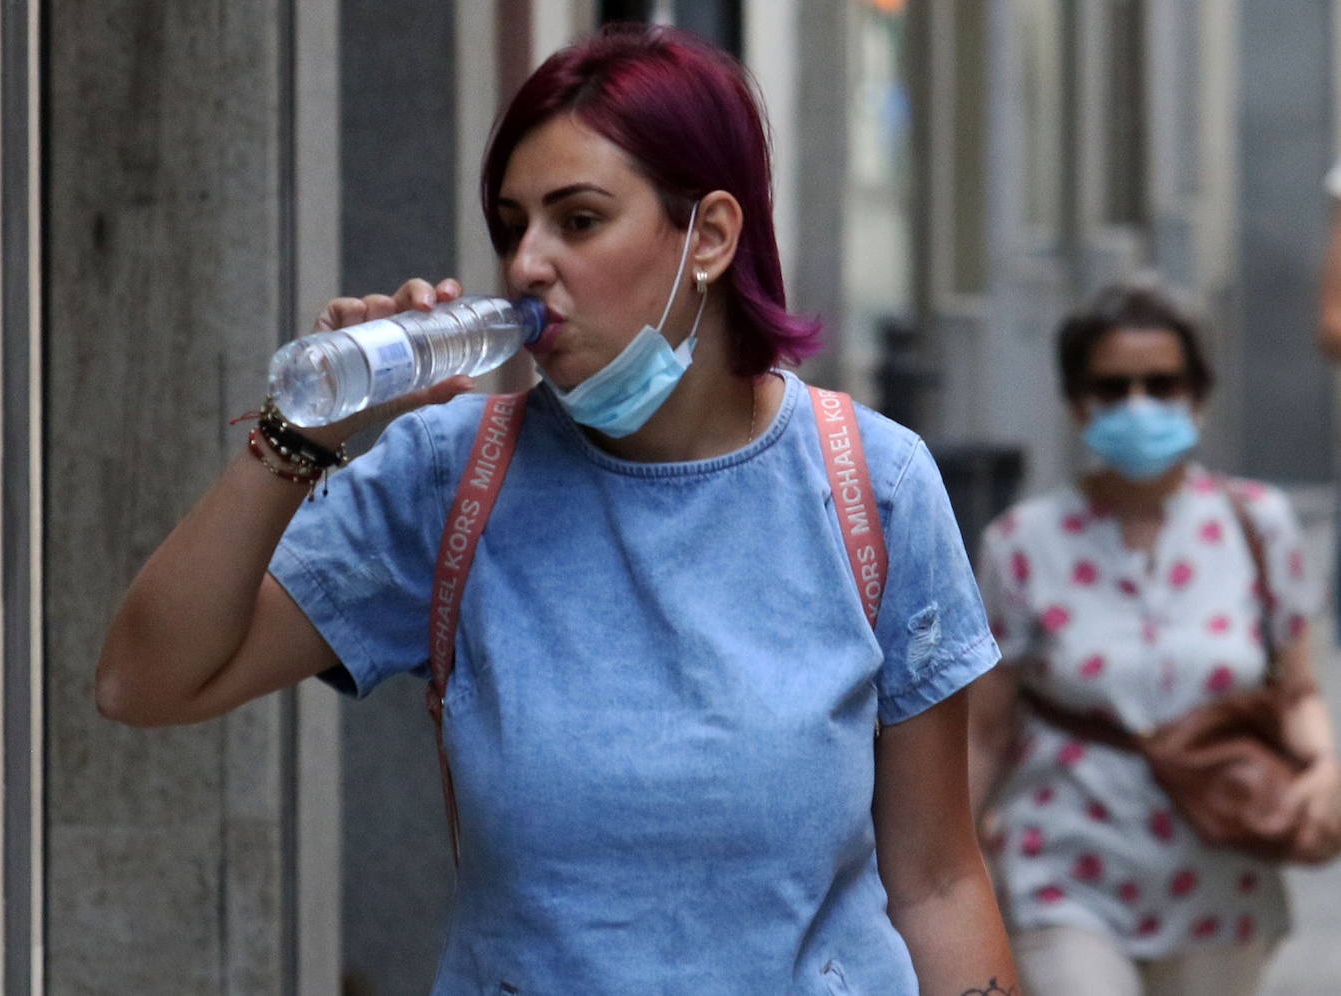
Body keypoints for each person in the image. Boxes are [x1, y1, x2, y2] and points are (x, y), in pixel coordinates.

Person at [97, 23, 1017, 993]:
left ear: (707, 236)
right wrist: (302, 428)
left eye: (576, 221)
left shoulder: (871, 483)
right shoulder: (453, 475)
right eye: (511, 225)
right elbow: (147, 681)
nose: (527, 264)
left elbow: (938, 880)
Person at [969, 280, 1341, 996]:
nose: (1138, 404)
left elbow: (1296, 689)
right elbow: (985, 730)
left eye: (1162, 383)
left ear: (1197, 392)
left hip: (1220, 874)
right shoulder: (1021, 543)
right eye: (1112, 387)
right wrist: (951, 865)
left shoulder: (1258, 526)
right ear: (1079, 402)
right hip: (1065, 870)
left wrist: (1322, 766)